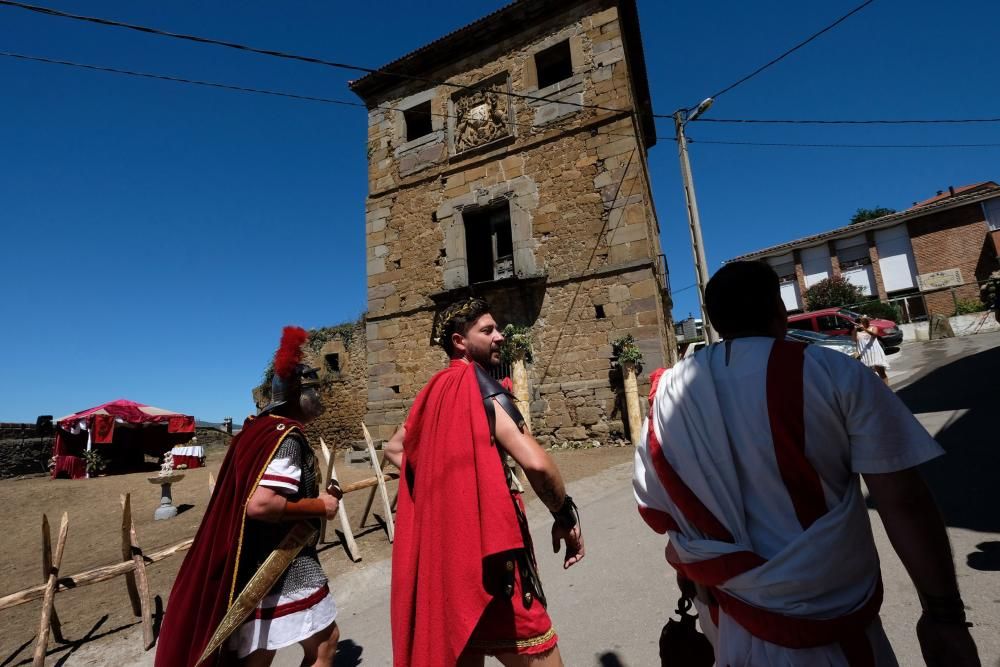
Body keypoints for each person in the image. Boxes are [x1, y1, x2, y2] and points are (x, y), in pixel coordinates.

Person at [633, 261, 980, 666]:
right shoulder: (834, 373)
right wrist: (943, 615)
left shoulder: (669, 396)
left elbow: (663, 512)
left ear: (713, 320)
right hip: (839, 630)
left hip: (731, 626)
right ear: (779, 311)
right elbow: (903, 500)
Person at [383, 297, 584, 667]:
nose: (501, 337)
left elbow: (395, 448)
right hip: (494, 558)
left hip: (451, 555)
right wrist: (566, 517)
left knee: (464, 648)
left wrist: (448, 491)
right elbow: (538, 466)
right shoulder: (487, 391)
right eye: (488, 330)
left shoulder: (433, 392)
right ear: (460, 341)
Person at [155, 327, 342, 667]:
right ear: (297, 394)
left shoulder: (256, 431)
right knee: (326, 645)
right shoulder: (286, 437)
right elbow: (261, 504)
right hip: (281, 562)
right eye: (313, 390)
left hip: (254, 561)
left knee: (260, 654)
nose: (319, 399)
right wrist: (322, 505)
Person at [854, 315, 891, 385]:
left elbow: (874, 335)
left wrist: (864, 329)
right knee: (868, 375)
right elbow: (855, 341)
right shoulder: (857, 331)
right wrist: (855, 330)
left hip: (875, 352)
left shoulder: (873, 327)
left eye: (864, 321)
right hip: (865, 354)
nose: (861, 322)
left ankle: (887, 390)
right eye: (860, 321)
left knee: (881, 373)